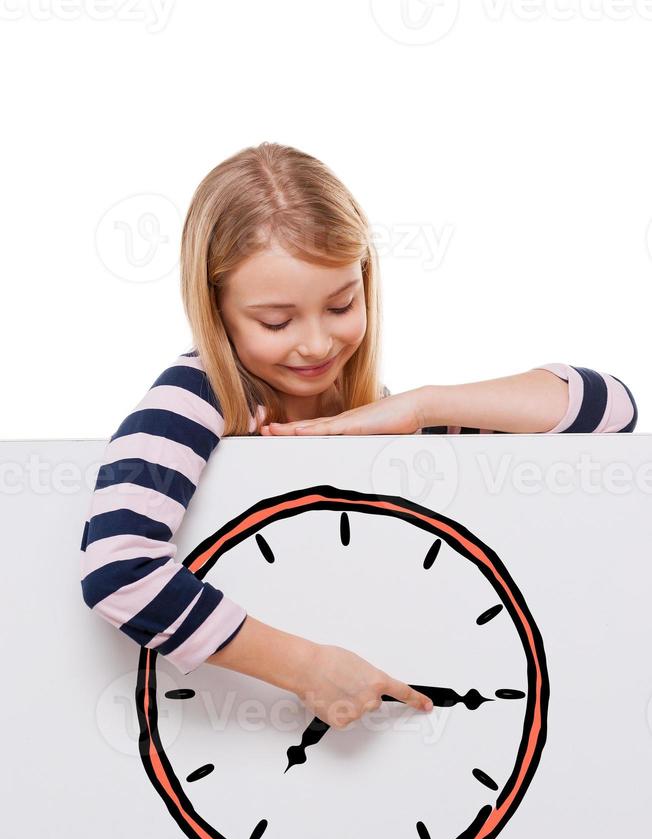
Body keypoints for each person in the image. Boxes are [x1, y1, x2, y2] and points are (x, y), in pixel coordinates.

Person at [79, 141, 638, 731]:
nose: (317, 344)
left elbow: (610, 409)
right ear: (215, 311)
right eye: (277, 321)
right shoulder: (195, 398)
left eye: (342, 305)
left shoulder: (381, 415)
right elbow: (120, 568)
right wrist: (305, 667)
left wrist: (420, 406)